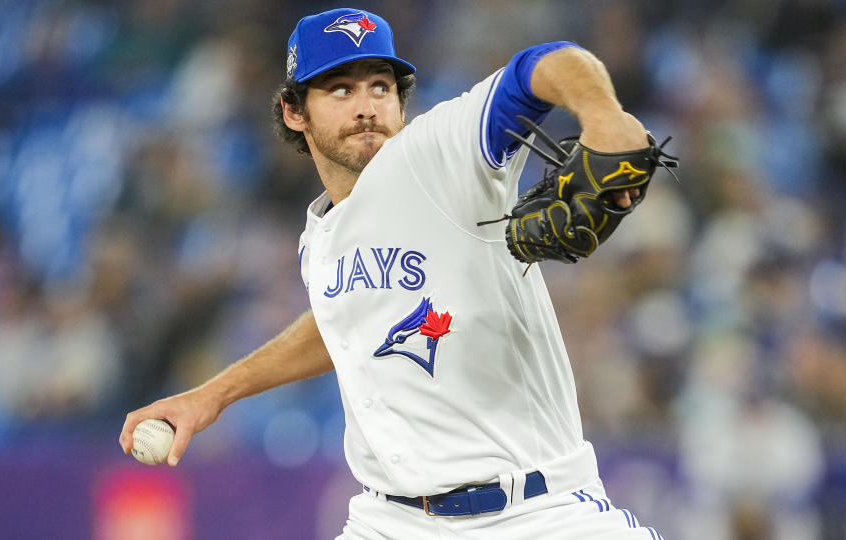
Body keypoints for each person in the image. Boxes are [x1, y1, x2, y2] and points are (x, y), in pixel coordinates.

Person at [120, 7, 664, 539]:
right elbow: (341, 323)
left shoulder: (437, 155)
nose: (366, 106)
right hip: (392, 520)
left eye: (380, 87)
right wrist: (212, 395)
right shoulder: (321, 236)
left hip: (537, 512)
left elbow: (542, 64)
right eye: (340, 89)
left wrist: (602, 115)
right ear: (293, 111)